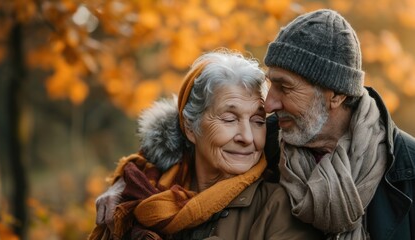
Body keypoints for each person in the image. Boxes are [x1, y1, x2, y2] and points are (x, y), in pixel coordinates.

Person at [89, 50, 321, 239]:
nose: (248, 137)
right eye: (229, 119)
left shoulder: (278, 207)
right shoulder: (140, 193)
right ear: (191, 128)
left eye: (258, 121)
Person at [263, 9, 415, 239]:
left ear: (337, 94)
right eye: (270, 85)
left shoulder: (409, 169)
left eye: (284, 87)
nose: (268, 104)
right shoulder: (259, 149)